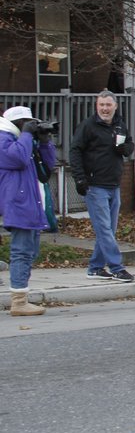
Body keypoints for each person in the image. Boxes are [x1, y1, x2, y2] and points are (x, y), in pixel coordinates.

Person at [69, 90, 135, 283]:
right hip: (94, 186)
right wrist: (80, 179)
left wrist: (127, 149)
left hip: (114, 185)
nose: (105, 109)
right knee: (104, 229)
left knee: (108, 230)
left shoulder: (119, 125)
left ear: (115, 106)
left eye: (108, 105)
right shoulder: (88, 126)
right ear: (97, 107)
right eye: (101, 105)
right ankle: (117, 268)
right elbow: (75, 151)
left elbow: (129, 143)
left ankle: (95, 267)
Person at [0, 106, 57, 315]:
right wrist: (26, 135)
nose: (31, 126)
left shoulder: (23, 142)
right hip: (18, 203)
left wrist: (44, 142)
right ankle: (19, 302)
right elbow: (17, 159)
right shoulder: (3, 139)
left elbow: (47, 168)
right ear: (16, 123)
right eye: (28, 122)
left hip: (31, 202)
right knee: (21, 252)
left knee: (30, 252)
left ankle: (21, 296)